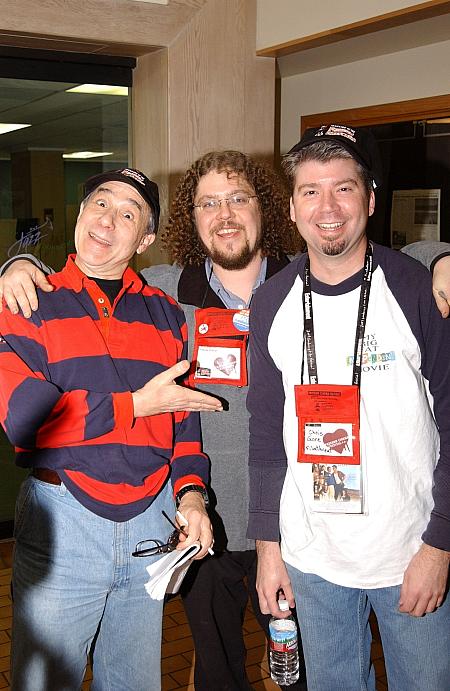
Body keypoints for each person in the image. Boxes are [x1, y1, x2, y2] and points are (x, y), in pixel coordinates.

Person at [0, 158, 449, 691]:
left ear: (269, 208)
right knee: (214, 673)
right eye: (208, 203)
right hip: (198, 528)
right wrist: (18, 263)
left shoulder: (297, 280)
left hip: (288, 526)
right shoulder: (170, 291)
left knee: (300, 672)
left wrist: (442, 256)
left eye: (238, 198)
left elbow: (379, 255)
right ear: (190, 220)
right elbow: (86, 275)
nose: (225, 214)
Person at [0, 151, 308, 691]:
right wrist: (135, 406)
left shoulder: (164, 309)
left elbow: (183, 421)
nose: (107, 219)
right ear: (79, 214)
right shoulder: (28, 302)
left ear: (144, 240)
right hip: (63, 526)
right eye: (100, 203)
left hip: (151, 526)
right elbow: (27, 420)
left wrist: (190, 495)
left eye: (128, 213)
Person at [247, 125, 450, 691]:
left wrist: (440, 545)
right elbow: (265, 437)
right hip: (314, 562)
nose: (327, 207)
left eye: (344, 188)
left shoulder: (418, 291)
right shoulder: (271, 304)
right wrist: (270, 548)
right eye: (311, 190)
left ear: (371, 198)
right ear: (291, 206)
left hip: (410, 552)